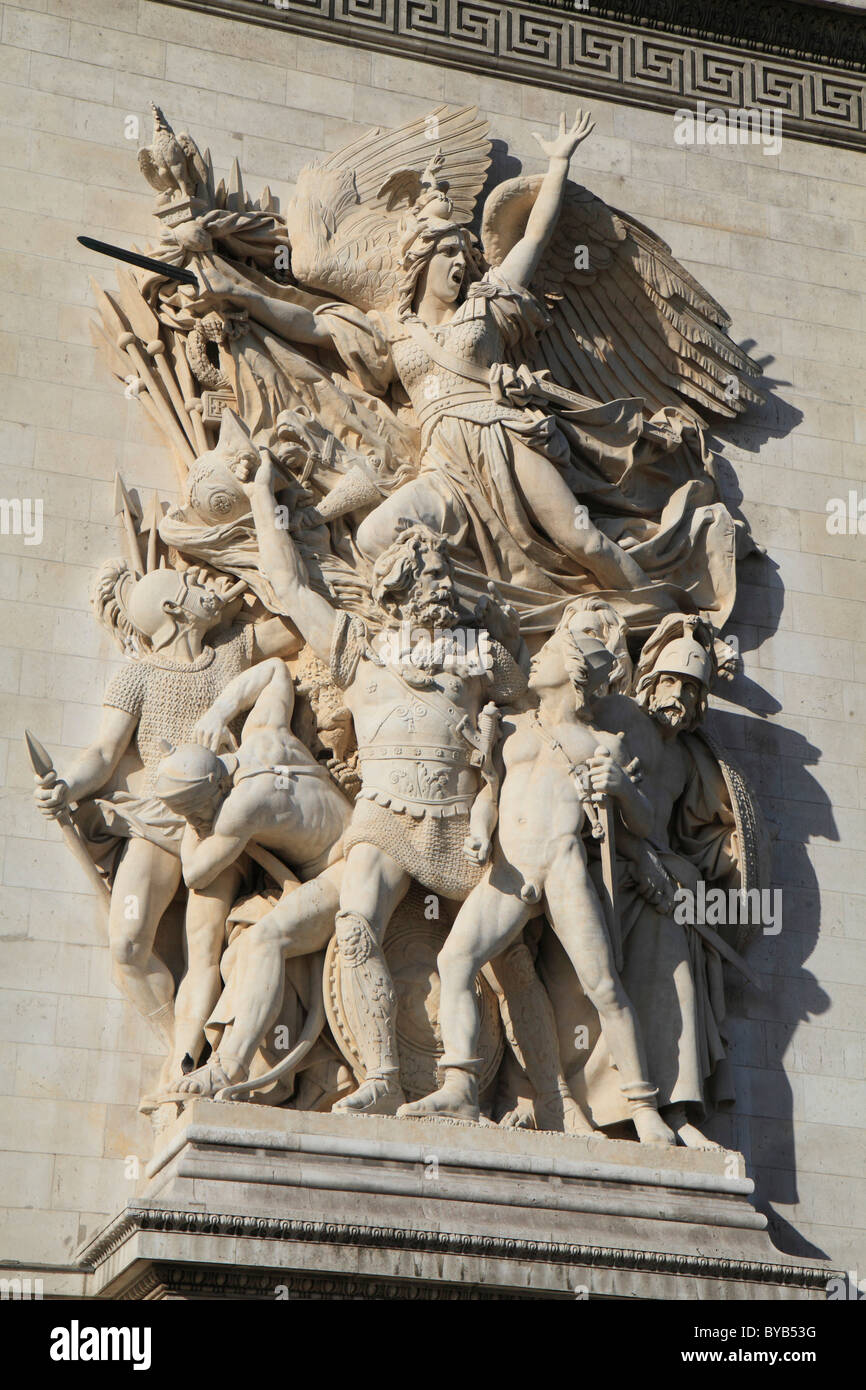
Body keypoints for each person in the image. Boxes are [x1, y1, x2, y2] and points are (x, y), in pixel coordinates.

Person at [246, 450, 526, 1114]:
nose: (441, 583)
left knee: (511, 956)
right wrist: (263, 495)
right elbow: (287, 585)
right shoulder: (357, 650)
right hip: (385, 814)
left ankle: (515, 1084)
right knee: (353, 924)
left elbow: (530, 717)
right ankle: (382, 1078)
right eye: (427, 573)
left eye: (444, 573)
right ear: (393, 591)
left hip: (464, 822)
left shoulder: (480, 657)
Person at [400, 603, 676, 1145]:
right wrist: (481, 827)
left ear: (571, 673)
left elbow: (642, 824)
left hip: (563, 865)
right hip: (509, 868)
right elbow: (491, 793)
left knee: (604, 987)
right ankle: (460, 1085)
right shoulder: (509, 727)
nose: (536, 657)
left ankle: (644, 1110)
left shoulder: (603, 744)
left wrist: (621, 787)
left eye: (548, 652)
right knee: (455, 959)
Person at [33, 563, 298, 1101]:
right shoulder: (138, 674)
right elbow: (105, 754)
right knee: (129, 944)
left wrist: (251, 581)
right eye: (196, 589)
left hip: (219, 823)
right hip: (155, 819)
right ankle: (172, 1039)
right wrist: (65, 785)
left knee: (202, 951)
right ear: (175, 610)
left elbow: (295, 626)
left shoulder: (232, 652)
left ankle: (183, 1063)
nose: (208, 591)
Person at [153, 656, 352, 1099]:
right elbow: (277, 670)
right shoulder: (262, 738)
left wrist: (194, 826)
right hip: (350, 842)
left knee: (264, 940)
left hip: (345, 871)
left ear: (210, 795)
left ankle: (229, 1068)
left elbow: (194, 872)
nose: (196, 820)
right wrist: (218, 712)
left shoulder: (239, 809)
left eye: (192, 811)